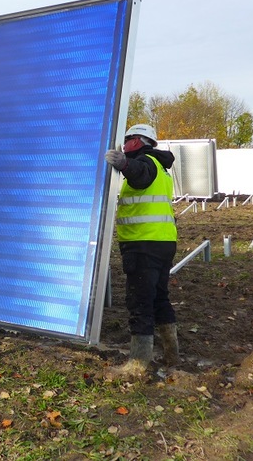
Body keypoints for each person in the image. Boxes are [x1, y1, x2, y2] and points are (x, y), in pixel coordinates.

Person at [104, 123, 179, 378]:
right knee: (159, 298)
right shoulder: (161, 166)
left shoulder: (146, 162)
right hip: (163, 242)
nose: (124, 144)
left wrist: (123, 163)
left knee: (140, 301)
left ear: (137, 141)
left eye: (127, 140)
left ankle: (138, 364)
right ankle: (172, 354)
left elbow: (139, 173)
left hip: (144, 245)